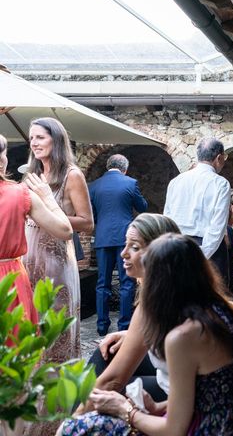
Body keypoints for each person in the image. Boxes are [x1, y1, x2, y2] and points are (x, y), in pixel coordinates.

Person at [60, 234, 233, 435]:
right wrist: (157, 407)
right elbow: (217, 394)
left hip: (215, 429)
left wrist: (125, 409)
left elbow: (173, 430)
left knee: (78, 428)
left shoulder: (183, 337)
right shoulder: (229, 311)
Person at [85, 213, 181, 403]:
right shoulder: (171, 287)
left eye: (135, 247)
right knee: (108, 351)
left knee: (106, 387)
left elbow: (112, 381)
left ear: (159, 252)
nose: (123, 253)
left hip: (187, 396)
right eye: (126, 244)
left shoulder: (156, 301)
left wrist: (70, 425)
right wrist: (130, 335)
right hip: (182, 379)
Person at [23, 117, 94, 362]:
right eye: (31, 138)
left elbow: (87, 222)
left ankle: (56, 396)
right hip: (28, 260)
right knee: (31, 328)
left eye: (40, 137)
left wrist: (49, 214)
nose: (34, 143)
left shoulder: (72, 175)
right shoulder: (32, 174)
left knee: (54, 327)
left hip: (55, 261)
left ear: (57, 139)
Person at [0, 134, 73, 330]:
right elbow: (65, 230)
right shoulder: (21, 194)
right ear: (2, 161)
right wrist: (48, 197)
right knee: (15, 348)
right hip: (9, 278)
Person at [90, 154, 148, 336]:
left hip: (102, 238)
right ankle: (124, 325)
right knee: (126, 282)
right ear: (125, 168)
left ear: (108, 166)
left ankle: (102, 326)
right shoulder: (130, 183)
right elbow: (143, 207)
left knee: (102, 283)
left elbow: (92, 214)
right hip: (126, 240)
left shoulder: (94, 185)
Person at [164, 137, 231, 287]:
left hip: (178, 244)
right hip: (209, 247)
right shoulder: (220, 183)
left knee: (180, 296)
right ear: (219, 158)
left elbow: (167, 219)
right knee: (212, 299)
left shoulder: (176, 181)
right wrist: (202, 254)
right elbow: (218, 225)